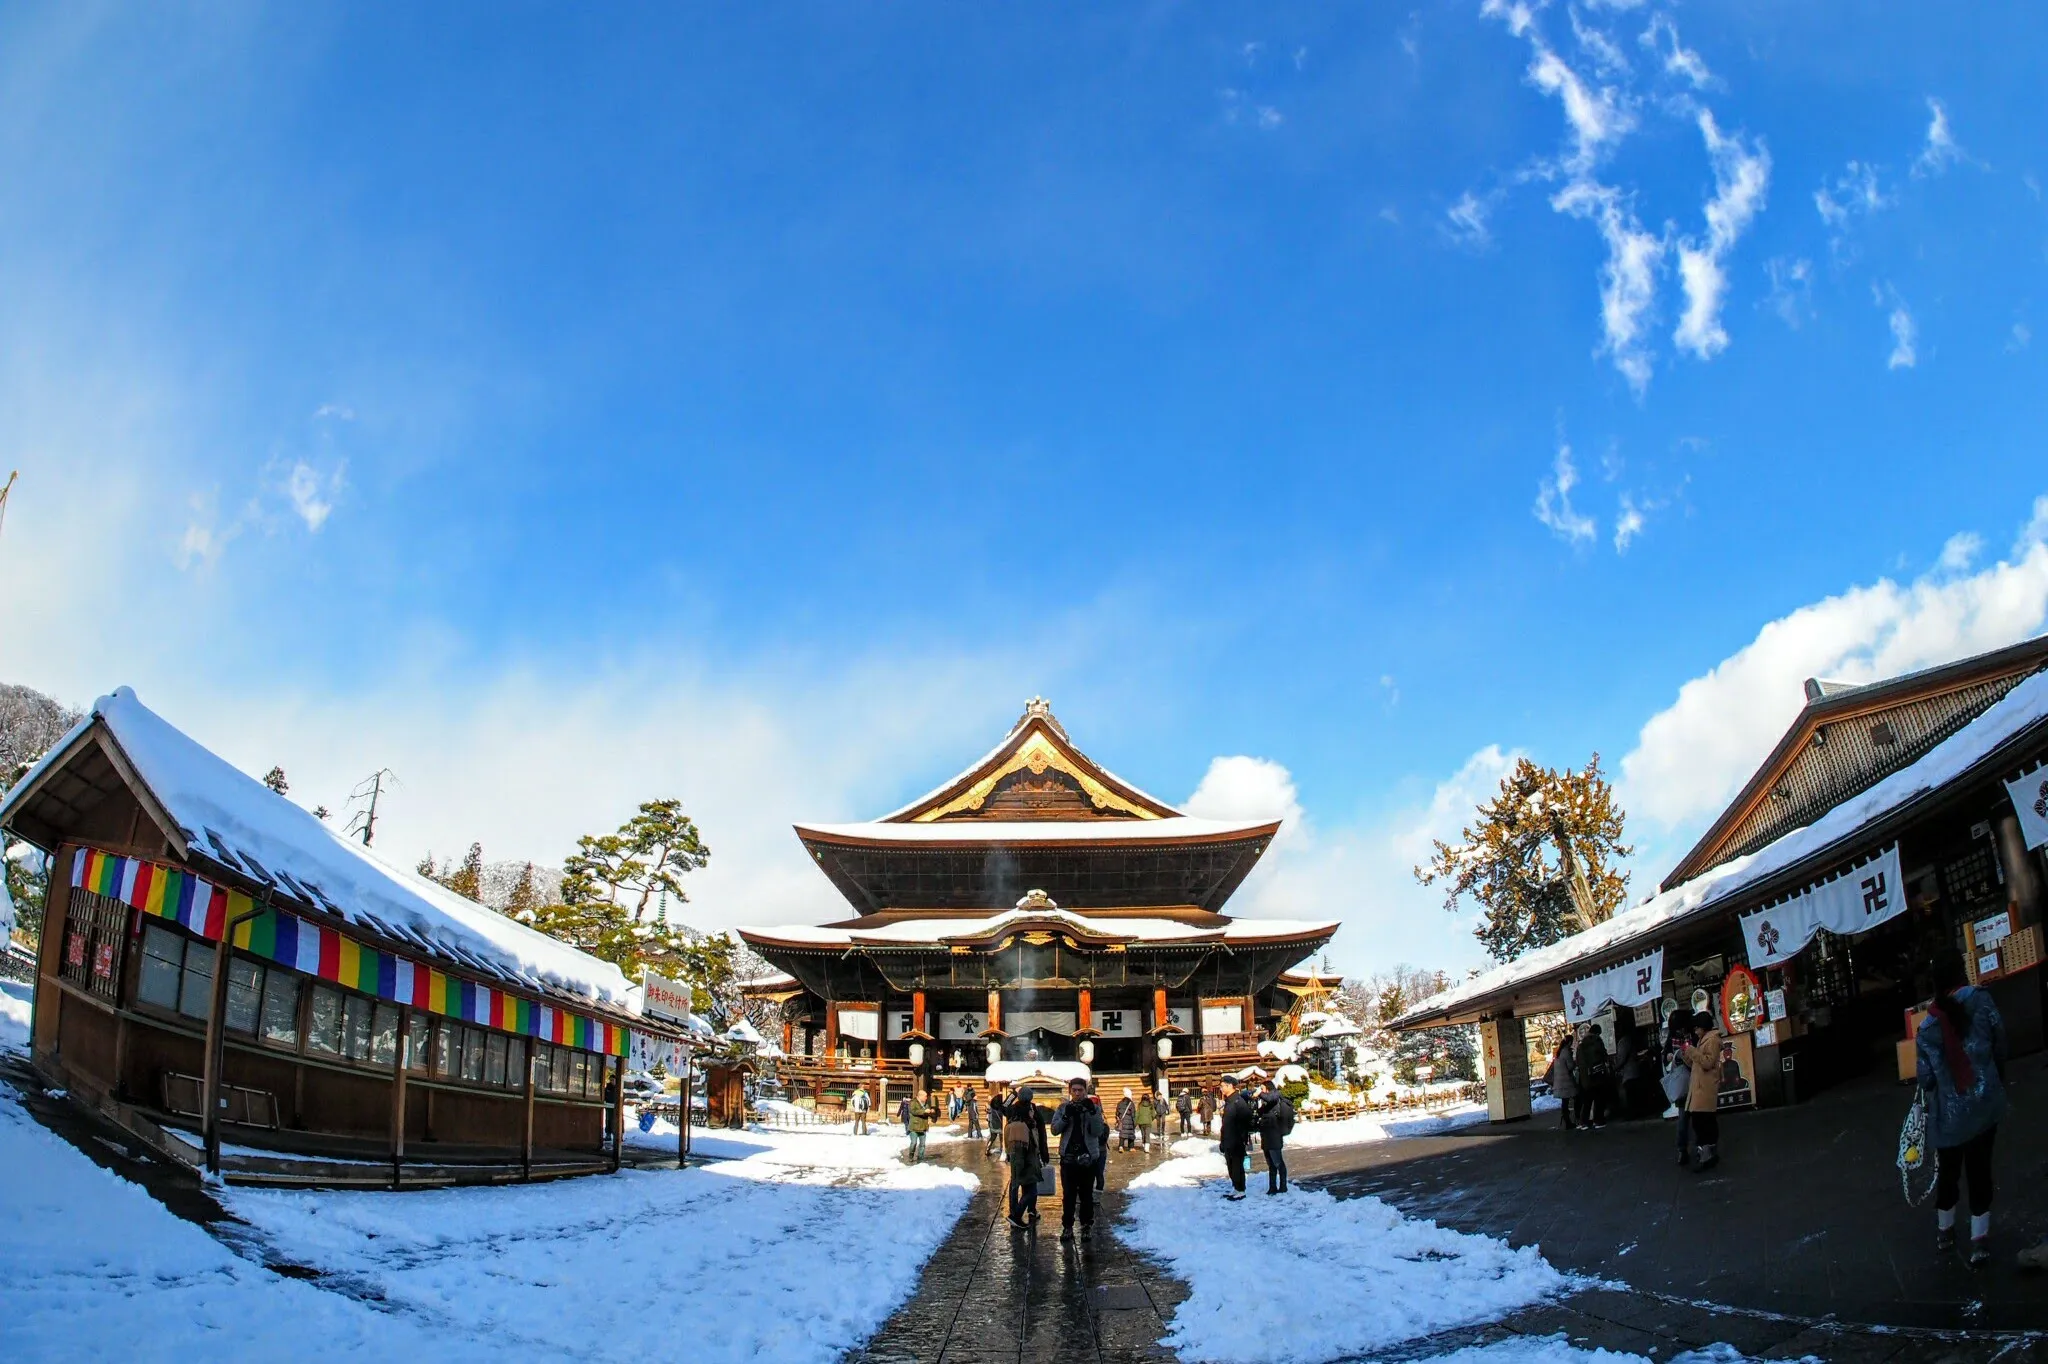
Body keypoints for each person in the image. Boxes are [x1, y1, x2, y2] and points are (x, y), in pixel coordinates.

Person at [1916, 952, 2007, 1267]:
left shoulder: (1927, 1028)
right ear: (1963, 974)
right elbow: (2000, 1041)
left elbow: (1926, 1079)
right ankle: (1979, 1240)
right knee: (1980, 1169)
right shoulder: (1982, 1001)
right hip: (1985, 1103)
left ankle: (1945, 1230)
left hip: (1950, 1117)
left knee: (1949, 1171)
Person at [1051, 1077, 1109, 1241]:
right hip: (1068, 1158)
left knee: (1086, 1195)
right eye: (1074, 1090)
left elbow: (1098, 1132)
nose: (1077, 1094)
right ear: (1070, 1091)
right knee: (1068, 1195)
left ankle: (1086, 1226)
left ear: (1085, 1091)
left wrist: (1092, 1113)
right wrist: (1065, 1118)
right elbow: (1054, 1130)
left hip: (1088, 1157)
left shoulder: (1094, 1108)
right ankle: (1068, 1226)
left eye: (1080, 1090)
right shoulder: (1063, 1108)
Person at [1680, 1011, 1725, 1172]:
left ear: (1703, 1027)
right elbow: (1696, 1064)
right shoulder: (1702, 1040)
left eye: (1697, 1028)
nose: (1695, 1031)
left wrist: (1691, 1051)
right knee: (1701, 1121)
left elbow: (1707, 1062)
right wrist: (1686, 1054)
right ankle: (1707, 1154)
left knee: (1703, 1122)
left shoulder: (1712, 1040)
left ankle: (1707, 1154)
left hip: (1704, 1088)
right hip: (1699, 1087)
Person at [1006, 1087, 1049, 1228]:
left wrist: (1012, 1094)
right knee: (1031, 1184)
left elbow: (1000, 1105)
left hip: (1014, 1152)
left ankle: (1016, 1211)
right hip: (1030, 1152)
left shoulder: (1012, 1111)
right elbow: (1042, 1133)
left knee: (1016, 1183)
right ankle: (1022, 1213)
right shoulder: (1034, 1111)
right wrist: (1044, 1153)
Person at [1217, 1076, 1254, 1201]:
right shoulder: (1229, 1101)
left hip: (1236, 1140)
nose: (1221, 1088)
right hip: (1228, 1139)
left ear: (1230, 1086)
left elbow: (1246, 1119)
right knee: (1231, 1165)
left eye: (1222, 1086)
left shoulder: (1239, 1101)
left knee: (1237, 1165)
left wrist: (1240, 1137)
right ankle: (1236, 1187)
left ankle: (1241, 1189)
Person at [1256, 1079, 1294, 1195]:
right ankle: (1272, 1187)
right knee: (1271, 1165)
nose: (1260, 1091)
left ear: (1268, 1088)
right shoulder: (1267, 1104)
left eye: (1262, 1088)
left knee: (1278, 1163)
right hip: (1266, 1138)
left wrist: (1259, 1094)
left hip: (1274, 1137)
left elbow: (1270, 1098)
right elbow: (1260, 1113)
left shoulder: (1275, 1096)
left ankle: (1283, 1187)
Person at [1575, 1023, 1611, 1130]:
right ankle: (1598, 1120)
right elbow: (1604, 1055)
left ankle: (1584, 1122)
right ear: (1597, 1032)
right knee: (1599, 1098)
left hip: (1585, 1076)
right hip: (1598, 1074)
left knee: (1587, 1100)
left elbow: (1578, 1062)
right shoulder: (1597, 1041)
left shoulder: (1581, 1045)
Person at [1545, 1031, 1578, 1131]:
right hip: (1566, 1082)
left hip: (1560, 1082)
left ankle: (1567, 1120)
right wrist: (1575, 1062)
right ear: (1569, 1042)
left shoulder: (1559, 1052)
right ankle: (1571, 1120)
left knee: (1565, 1102)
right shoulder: (1566, 1052)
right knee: (1575, 1098)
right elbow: (1570, 1066)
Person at [908, 1087, 932, 1162]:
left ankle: (920, 1158)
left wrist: (931, 1111)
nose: (926, 1098)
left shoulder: (926, 1103)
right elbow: (914, 1111)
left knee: (922, 1145)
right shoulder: (913, 1102)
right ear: (920, 1096)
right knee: (914, 1143)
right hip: (914, 1127)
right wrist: (924, 1111)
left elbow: (927, 1112)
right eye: (925, 1096)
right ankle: (911, 1155)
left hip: (923, 1126)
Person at [1116, 1087, 1138, 1152]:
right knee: (1130, 1134)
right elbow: (1133, 1114)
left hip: (1122, 1121)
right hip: (1130, 1121)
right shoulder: (1131, 1104)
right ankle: (1131, 1147)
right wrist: (1134, 1123)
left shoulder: (1120, 1103)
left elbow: (1117, 1112)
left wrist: (1118, 1119)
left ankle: (1121, 1146)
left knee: (1122, 1134)